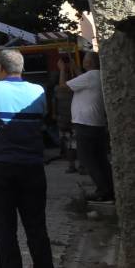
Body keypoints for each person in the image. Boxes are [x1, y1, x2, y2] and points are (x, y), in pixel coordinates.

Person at [0, 49, 54, 268]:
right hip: (33, 168)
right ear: (22, 68)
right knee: (37, 227)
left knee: (5, 230)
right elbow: (41, 119)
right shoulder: (38, 90)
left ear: (0, 68)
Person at [59, 51, 113, 201]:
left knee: (88, 159)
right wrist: (75, 68)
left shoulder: (89, 77)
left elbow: (63, 86)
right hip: (97, 123)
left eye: (85, 59)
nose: (83, 61)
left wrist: (63, 69)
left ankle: (103, 191)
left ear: (89, 63)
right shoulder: (97, 75)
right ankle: (110, 189)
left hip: (85, 123)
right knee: (101, 159)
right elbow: (81, 78)